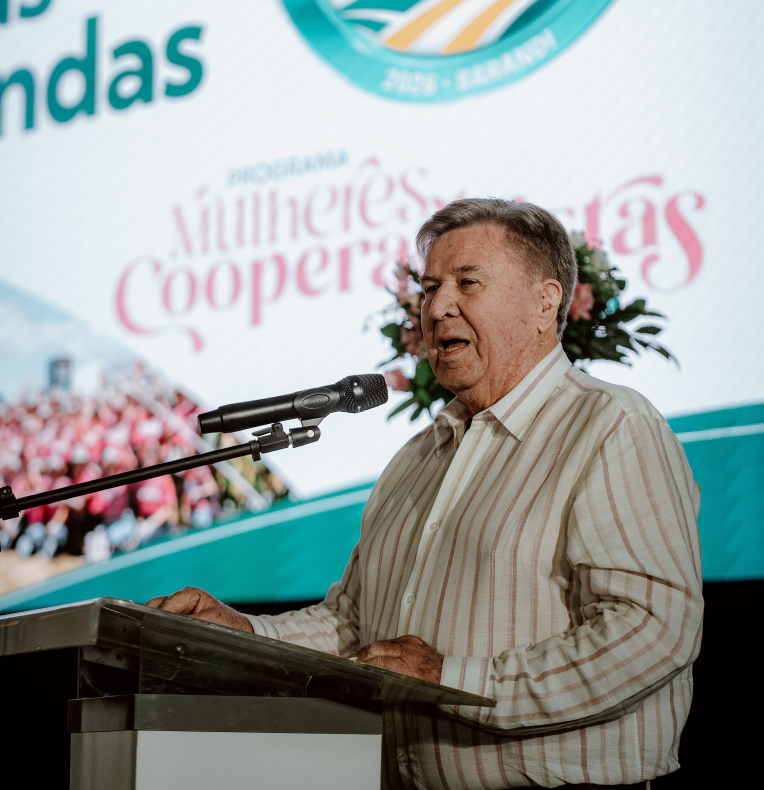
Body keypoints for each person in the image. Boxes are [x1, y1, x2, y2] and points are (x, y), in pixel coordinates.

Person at [150, 197, 703, 789]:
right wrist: (246, 633)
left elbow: (651, 629)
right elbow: (354, 624)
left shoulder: (610, 427)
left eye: (468, 283)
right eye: (431, 287)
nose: (437, 308)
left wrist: (454, 680)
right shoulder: (416, 458)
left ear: (545, 302)